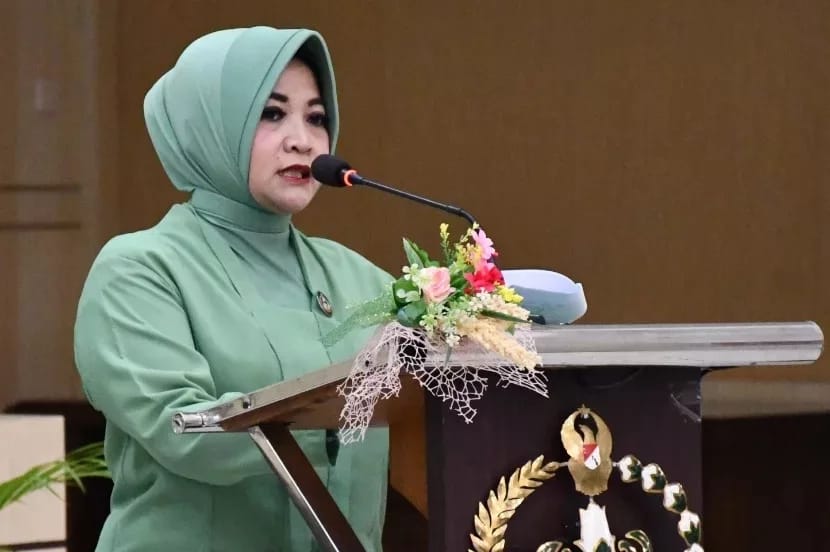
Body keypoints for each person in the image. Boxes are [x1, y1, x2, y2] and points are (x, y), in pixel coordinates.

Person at [74, 26, 392, 551]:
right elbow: (184, 431)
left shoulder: (363, 279)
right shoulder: (140, 269)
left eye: (316, 117)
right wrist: (335, 427)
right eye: (272, 113)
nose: (303, 140)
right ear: (208, 126)